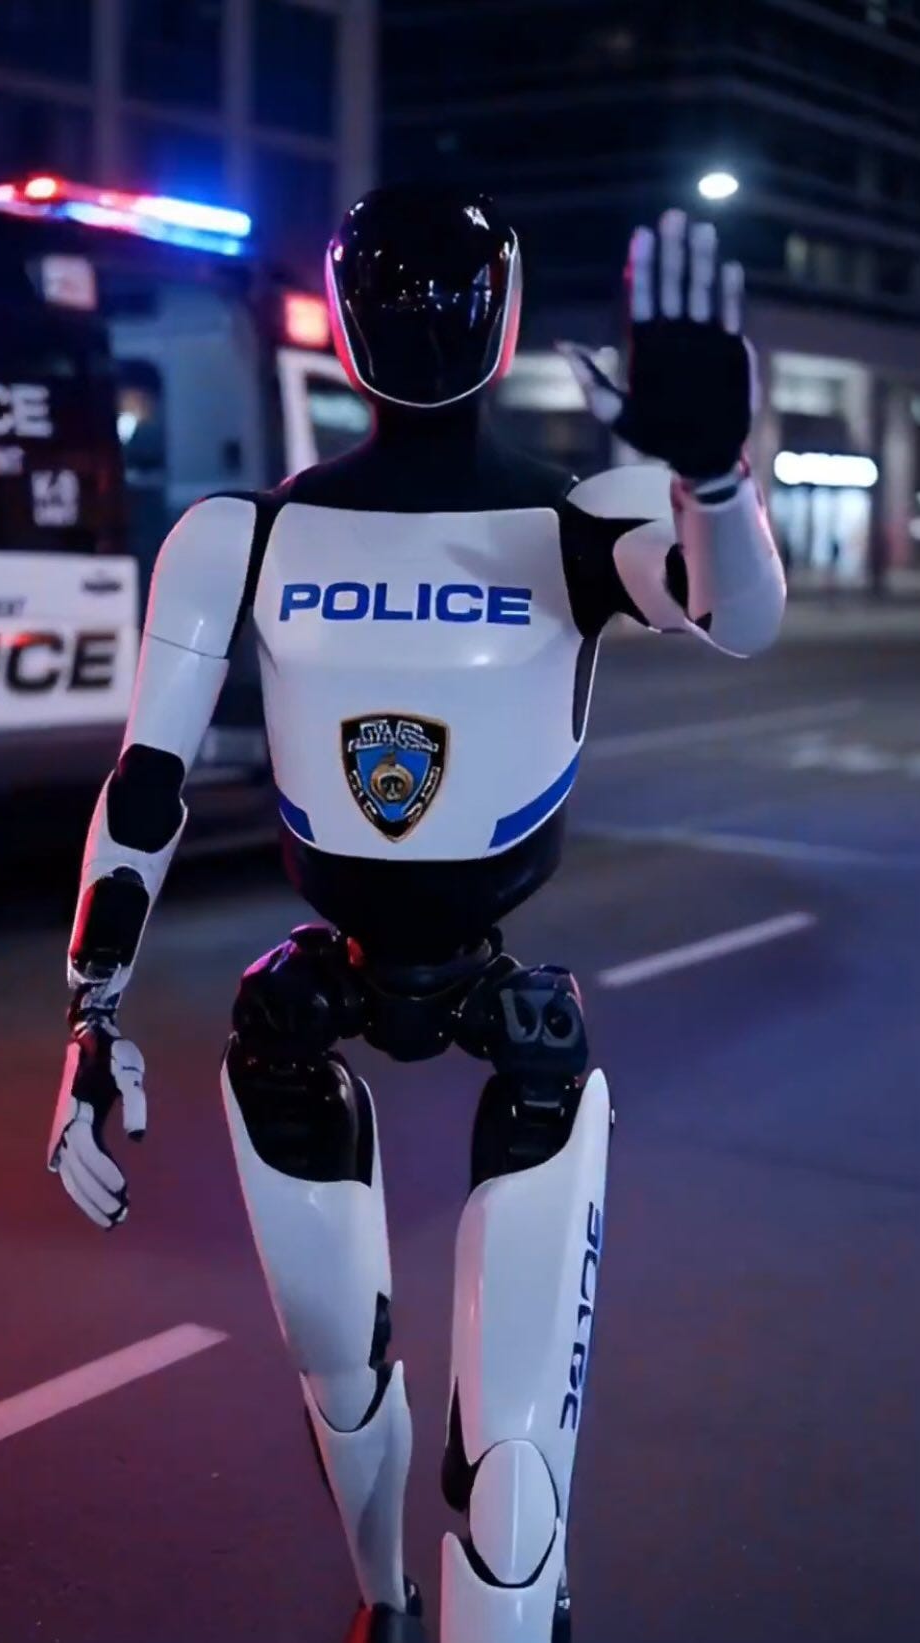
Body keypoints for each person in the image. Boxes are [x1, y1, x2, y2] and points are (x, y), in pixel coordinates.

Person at [46, 186, 786, 1643]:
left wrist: (714, 484)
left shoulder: (547, 524)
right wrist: (89, 1011)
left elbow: (734, 614)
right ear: (509, 324)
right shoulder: (274, 535)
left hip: (449, 1008)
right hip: (320, 999)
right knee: (348, 1386)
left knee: (502, 1481)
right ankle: (383, 1605)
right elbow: (145, 785)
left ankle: (400, 1602)